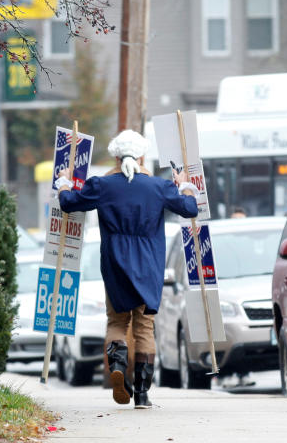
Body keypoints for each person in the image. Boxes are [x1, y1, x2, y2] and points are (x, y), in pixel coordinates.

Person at [55, 129, 199, 409]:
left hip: (115, 260)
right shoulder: (159, 187)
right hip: (149, 262)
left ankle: (118, 365)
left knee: (117, 321)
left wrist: (63, 181)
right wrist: (183, 185)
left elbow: (68, 203)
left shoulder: (102, 185)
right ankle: (143, 395)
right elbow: (190, 208)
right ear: (142, 156)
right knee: (145, 326)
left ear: (117, 156)